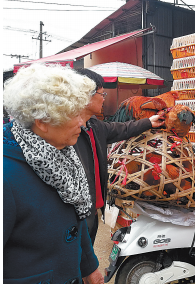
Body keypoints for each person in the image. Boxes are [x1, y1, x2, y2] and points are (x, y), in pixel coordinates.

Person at [3, 64, 104, 283]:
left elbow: (75, 216)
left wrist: (89, 267)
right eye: (73, 115)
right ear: (42, 121)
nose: (82, 123)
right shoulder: (6, 176)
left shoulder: (63, 153)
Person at [74, 68, 165, 244]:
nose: (104, 98)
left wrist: (149, 122)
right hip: (76, 216)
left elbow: (121, 128)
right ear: (86, 95)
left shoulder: (94, 126)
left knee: (84, 262)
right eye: (102, 93)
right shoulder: (65, 135)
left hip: (93, 212)